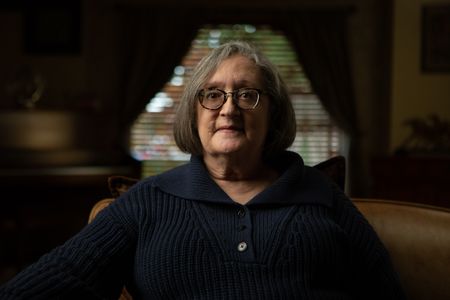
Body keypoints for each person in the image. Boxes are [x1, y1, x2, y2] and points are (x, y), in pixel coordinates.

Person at [0, 41, 405, 299]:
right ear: (193, 112)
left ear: (273, 113)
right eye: (213, 95)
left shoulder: (321, 196)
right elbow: (52, 281)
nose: (228, 108)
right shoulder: (148, 202)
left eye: (247, 94)